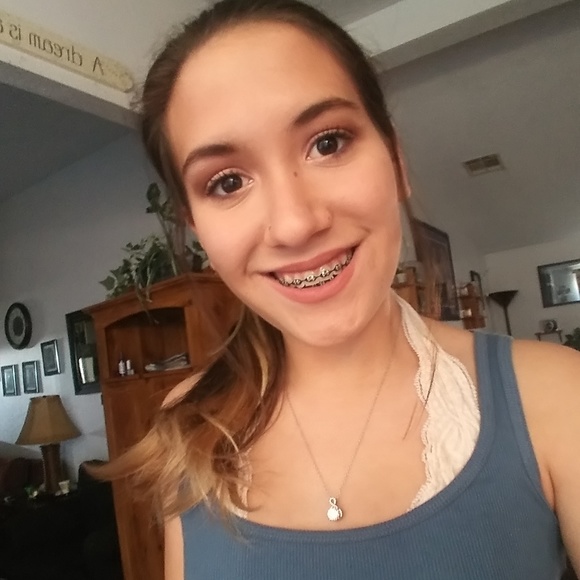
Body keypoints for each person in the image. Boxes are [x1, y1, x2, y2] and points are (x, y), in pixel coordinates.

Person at [103, 1, 580, 578]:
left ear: (396, 160)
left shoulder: (557, 396)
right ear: (196, 226)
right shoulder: (190, 422)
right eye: (227, 182)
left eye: (327, 143)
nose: (295, 224)